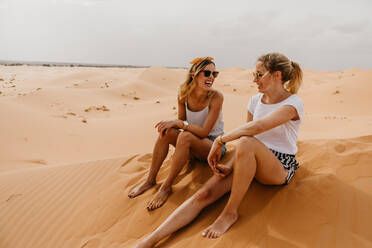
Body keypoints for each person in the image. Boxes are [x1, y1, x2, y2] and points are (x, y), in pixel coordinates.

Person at [133, 52, 304, 247]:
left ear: (277, 75)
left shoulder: (293, 103)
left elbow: (256, 129)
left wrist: (221, 140)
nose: (254, 79)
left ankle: (230, 212)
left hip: (279, 166)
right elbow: (249, 138)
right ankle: (148, 241)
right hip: (249, 156)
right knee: (204, 194)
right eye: (254, 74)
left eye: (259, 74)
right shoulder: (255, 101)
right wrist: (231, 166)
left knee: (246, 141)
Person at [128, 57, 225, 211]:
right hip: (192, 142)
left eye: (215, 74)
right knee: (166, 132)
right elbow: (181, 121)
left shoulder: (216, 97)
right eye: (207, 73)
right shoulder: (183, 94)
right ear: (194, 75)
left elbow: (204, 131)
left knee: (185, 135)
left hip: (213, 146)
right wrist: (172, 123)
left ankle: (166, 187)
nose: (211, 78)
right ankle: (150, 180)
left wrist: (180, 124)